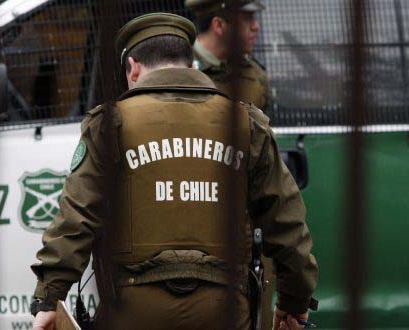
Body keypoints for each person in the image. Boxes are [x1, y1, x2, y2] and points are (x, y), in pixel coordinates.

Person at [30, 12, 317, 330]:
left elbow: (76, 220)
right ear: (190, 63)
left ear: (134, 67)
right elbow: (287, 225)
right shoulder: (246, 124)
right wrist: (294, 303)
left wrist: (48, 299)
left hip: (134, 312)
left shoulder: (109, 124)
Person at [185, 0, 271, 113]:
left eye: (253, 18)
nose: (256, 26)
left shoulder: (255, 75)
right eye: (246, 19)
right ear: (219, 25)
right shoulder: (180, 69)